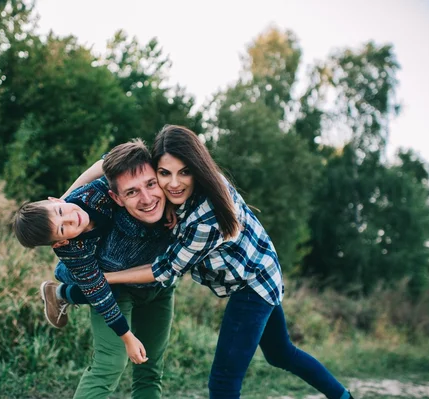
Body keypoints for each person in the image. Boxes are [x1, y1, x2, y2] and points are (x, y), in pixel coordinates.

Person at [96, 126, 354, 399]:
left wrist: (106, 278)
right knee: (281, 353)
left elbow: (165, 269)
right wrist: (64, 201)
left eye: (184, 172)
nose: (173, 183)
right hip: (264, 268)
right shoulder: (192, 191)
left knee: (223, 382)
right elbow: (105, 163)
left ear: (197, 168)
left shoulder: (206, 219)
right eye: (164, 173)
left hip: (253, 284)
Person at [13, 140, 175, 399]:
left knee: (151, 366)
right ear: (61, 240)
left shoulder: (89, 195)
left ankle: (63, 294)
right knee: (110, 363)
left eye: (61, 210)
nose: (71, 217)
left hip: (151, 283)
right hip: (96, 277)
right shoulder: (70, 249)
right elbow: (98, 291)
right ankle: (64, 290)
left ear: (56, 199)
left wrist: (169, 207)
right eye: (63, 227)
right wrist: (127, 337)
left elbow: (107, 162)